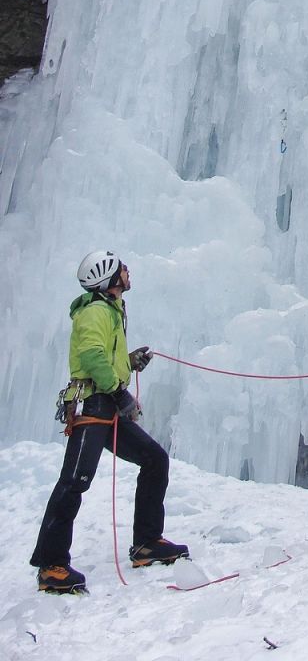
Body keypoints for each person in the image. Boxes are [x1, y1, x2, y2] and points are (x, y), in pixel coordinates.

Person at [30, 250, 189, 594]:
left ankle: (147, 543)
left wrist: (128, 363)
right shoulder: (96, 312)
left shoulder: (110, 311)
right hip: (93, 408)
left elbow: (104, 356)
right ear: (110, 280)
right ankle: (51, 565)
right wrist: (120, 393)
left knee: (154, 459)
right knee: (74, 482)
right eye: (122, 269)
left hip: (106, 407)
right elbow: (91, 355)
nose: (128, 272)